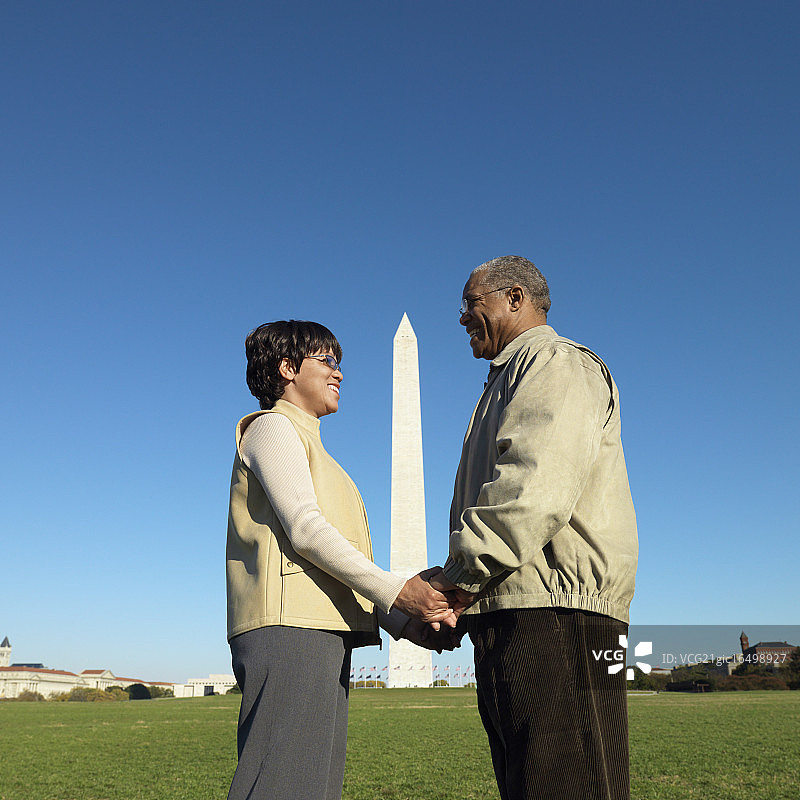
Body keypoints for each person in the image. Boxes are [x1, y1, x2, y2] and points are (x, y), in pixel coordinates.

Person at [429, 256, 638, 800]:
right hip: (515, 609)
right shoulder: (508, 379)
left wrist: (455, 578)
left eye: (471, 303)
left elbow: (530, 490)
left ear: (515, 298)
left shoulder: (556, 363)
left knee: (574, 785)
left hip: (562, 617)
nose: (461, 318)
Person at [225, 320, 457, 800]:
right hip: (290, 632)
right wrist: (400, 591)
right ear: (287, 368)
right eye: (327, 361)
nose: (339, 373)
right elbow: (308, 533)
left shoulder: (317, 450)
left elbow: (336, 569)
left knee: (312, 785)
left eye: (339, 363)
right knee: (280, 785)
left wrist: (405, 623)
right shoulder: (273, 428)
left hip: (319, 632)